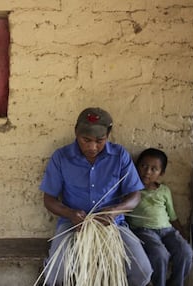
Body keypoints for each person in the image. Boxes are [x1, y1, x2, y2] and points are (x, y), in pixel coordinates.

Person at [39, 107, 153, 286]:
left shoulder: (119, 155)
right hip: (73, 224)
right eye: (86, 140)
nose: (92, 147)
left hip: (112, 225)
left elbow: (135, 195)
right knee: (57, 274)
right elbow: (49, 199)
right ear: (76, 131)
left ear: (109, 134)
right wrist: (70, 214)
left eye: (100, 140)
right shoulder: (61, 157)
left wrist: (115, 211)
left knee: (142, 271)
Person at [128, 148, 193, 286]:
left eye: (154, 169)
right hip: (143, 231)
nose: (147, 172)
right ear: (136, 166)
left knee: (186, 252)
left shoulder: (164, 190)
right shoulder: (131, 189)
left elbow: (172, 215)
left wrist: (181, 232)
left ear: (161, 173)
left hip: (167, 230)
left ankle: (176, 283)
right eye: (143, 166)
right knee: (160, 254)